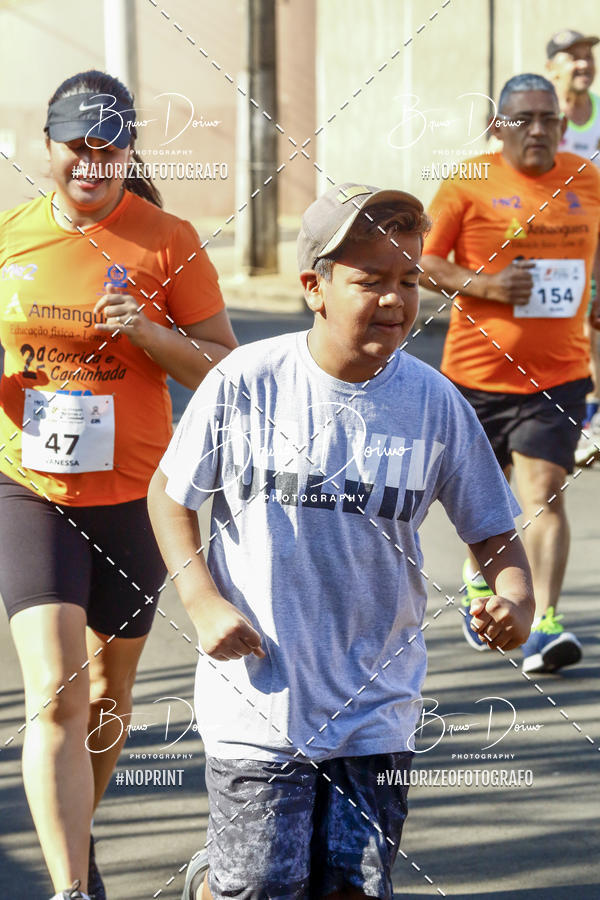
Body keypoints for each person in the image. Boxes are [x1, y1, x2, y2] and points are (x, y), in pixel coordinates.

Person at [148, 183, 535, 900]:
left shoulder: (433, 401)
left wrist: (516, 597)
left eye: (409, 280)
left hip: (376, 706)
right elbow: (170, 496)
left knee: (353, 887)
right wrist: (200, 599)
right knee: (262, 883)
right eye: (370, 280)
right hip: (259, 699)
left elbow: (493, 530)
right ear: (314, 288)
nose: (394, 298)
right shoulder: (247, 382)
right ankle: (213, 881)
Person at [0, 70, 237, 900]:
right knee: (55, 686)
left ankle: (77, 825)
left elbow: (223, 370)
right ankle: (72, 888)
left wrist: (150, 331)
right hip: (31, 489)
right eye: (77, 149)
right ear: (50, 149)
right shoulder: (10, 238)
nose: (91, 166)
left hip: (135, 494)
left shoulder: (169, 241)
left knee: (107, 692)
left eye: (108, 150)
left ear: (129, 151)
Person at [421, 73, 600, 673]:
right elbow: (421, 261)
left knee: (544, 495)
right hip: (475, 374)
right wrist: (489, 285)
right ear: (498, 126)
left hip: (558, 373)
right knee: (482, 503)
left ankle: (546, 624)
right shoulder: (468, 181)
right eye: (525, 118)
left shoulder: (587, 179)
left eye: (550, 118)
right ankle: (480, 586)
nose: (541, 130)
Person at [546, 29, 600, 465]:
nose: (584, 64)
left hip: (592, 237)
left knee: (593, 323)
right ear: (551, 69)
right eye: (573, 57)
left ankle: (593, 420)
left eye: (588, 56)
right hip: (543, 239)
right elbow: (494, 148)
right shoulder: (532, 113)